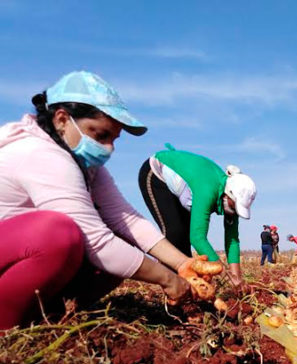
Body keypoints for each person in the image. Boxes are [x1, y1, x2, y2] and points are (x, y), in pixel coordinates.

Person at [0, 71, 193, 329]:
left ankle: (47, 317)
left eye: (113, 139)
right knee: (57, 235)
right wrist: (169, 280)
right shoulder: (40, 154)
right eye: (100, 135)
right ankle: (6, 326)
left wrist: (183, 263)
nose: (109, 148)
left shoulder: (85, 165)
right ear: (62, 120)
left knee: (123, 242)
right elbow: (98, 242)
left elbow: (125, 218)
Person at [138, 144, 256, 289]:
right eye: (234, 206)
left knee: (185, 238)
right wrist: (225, 276)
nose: (234, 211)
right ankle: (170, 288)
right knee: (175, 233)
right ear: (228, 194)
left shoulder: (232, 204)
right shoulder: (207, 191)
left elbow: (232, 240)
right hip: (156, 172)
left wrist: (237, 279)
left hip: (183, 188)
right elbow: (198, 238)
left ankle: (187, 287)